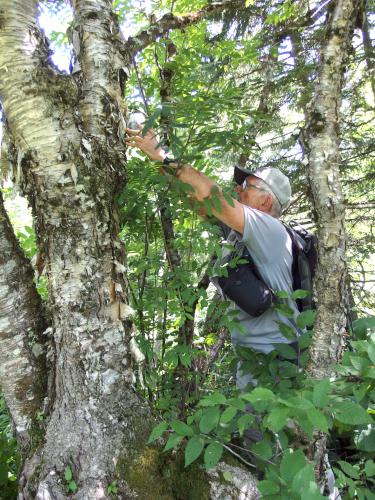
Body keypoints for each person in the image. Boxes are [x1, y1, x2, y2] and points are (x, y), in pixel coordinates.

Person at [126, 126, 301, 390]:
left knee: (266, 429)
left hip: (277, 364)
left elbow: (211, 196)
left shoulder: (269, 230)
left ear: (266, 202)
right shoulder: (244, 234)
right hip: (255, 361)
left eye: (246, 186)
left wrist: (161, 155)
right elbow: (199, 201)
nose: (238, 190)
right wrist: (159, 162)